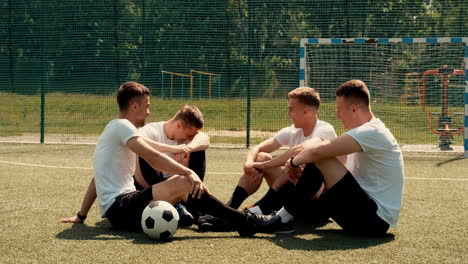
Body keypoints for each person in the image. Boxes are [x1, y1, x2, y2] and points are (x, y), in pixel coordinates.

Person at [59, 81, 277, 236]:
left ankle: (227, 220)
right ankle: (246, 222)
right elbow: (153, 156)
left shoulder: (115, 130)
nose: (149, 112)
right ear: (134, 106)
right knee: (183, 182)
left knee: (183, 185)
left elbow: (98, 177)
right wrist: (188, 171)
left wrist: (81, 215)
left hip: (122, 208)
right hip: (121, 208)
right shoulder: (122, 126)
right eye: (147, 107)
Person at [249, 79, 404, 236]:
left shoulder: (371, 132)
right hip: (359, 212)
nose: (337, 115)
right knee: (317, 160)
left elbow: (317, 152)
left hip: (372, 221)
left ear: (353, 109)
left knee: (320, 156)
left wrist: (293, 163)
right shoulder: (365, 133)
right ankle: (270, 213)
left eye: (339, 109)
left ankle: (280, 219)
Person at [198, 87, 337, 231]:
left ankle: (254, 211)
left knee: (298, 161)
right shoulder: (292, 130)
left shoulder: (325, 129)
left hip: (315, 206)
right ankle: (229, 209)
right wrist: (250, 163)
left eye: (291, 109)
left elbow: (300, 150)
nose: (288, 113)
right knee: (262, 157)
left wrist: (264, 165)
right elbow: (257, 148)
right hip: (289, 199)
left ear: (306, 111)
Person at [59, 105, 210, 226]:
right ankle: (182, 207)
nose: (189, 139)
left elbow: (204, 138)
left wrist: (189, 148)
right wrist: (81, 215)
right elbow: (103, 174)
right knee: (144, 154)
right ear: (179, 125)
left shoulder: (188, 139)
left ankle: (193, 208)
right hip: (148, 189)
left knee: (199, 151)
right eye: (189, 135)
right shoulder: (147, 131)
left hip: (178, 187)